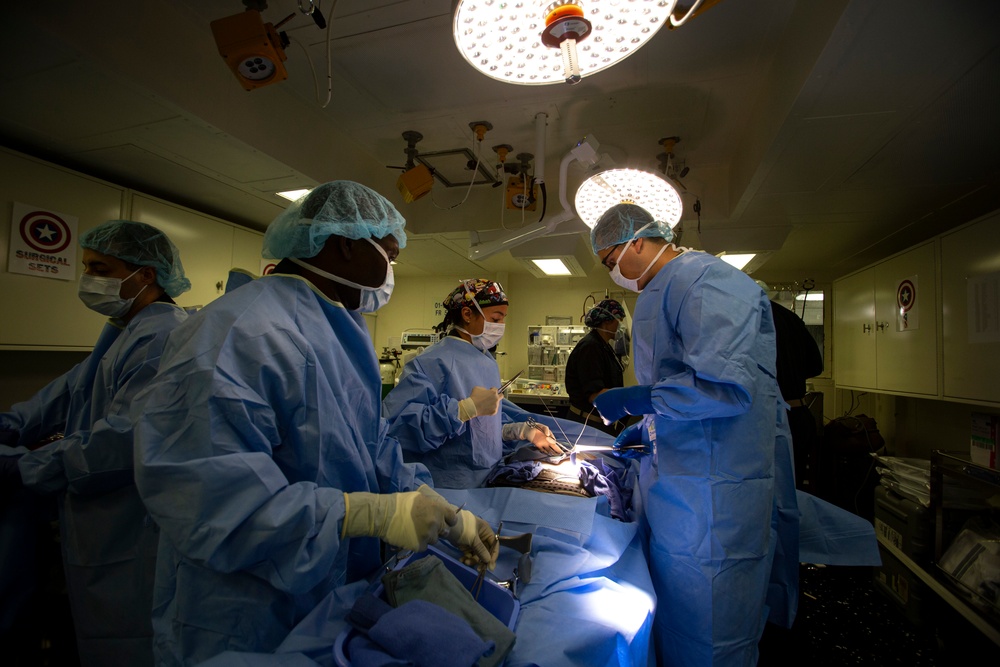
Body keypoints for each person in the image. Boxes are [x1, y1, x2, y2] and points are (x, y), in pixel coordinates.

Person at [132, 182, 497, 667]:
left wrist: (446, 512)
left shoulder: (336, 329)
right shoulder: (233, 334)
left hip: (327, 591)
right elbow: (209, 499)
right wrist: (364, 515)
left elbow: (372, 445)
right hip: (244, 609)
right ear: (345, 244)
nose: (391, 272)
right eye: (388, 254)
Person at [589, 203, 799, 667]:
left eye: (611, 260)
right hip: (685, 491)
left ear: (638, 242)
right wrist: (647, 432)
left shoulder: (706, 280)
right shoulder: (660, 292)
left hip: (717, 497)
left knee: (713, 627)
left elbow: (724, 389)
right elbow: (675, 387)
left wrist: (635, 401)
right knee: (680, 614)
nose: (613, 273)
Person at [0, 220, 191, 667]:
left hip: (128, 519)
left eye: (99, 267)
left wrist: (22, 466)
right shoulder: (123, 331)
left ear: (146, 274)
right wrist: (9, 428)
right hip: (95, 517)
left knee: (126, 639)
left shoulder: (163, 337)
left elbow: (121, 439)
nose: (87, 278)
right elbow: (62, 396)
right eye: (86, 266)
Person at [383, 279, 562, 489]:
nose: (501, 326)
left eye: (503, 319)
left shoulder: (487, 361)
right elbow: (398, 431)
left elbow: (481, 430)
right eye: (496, 318)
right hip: (446, 486)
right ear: (467, 314)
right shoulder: (430, 362)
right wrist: (463, 410)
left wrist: (522, 431)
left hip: (488, 479)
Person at [756, 281, 824, 490]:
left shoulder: (748, 321)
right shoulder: (791, 319)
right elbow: (815, 367)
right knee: (792, 492)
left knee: (767, 495)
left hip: (769, 420)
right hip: (799, 415)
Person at [565, 298, 627, 435]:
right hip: (588, 425)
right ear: (607, 322)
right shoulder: (590, 347)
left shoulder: (603, 346)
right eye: (620, 320)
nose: (622, 326)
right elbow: (594, 394)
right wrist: (629, 398)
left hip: (600, 424)